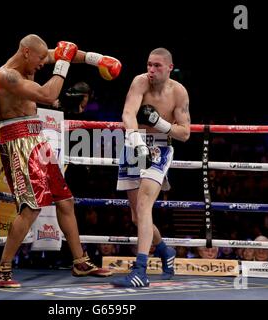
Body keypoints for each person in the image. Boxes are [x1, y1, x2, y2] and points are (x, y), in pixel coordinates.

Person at [0, 34, 121, 288]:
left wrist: (99, 60)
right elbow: (48, 95)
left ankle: (80, 261)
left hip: (36, 138)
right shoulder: (7, 76)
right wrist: (62, 64)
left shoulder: (32, 59)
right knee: (31, 206)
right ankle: (2, 269)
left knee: (65, 200)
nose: (43, 64)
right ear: (26, 52)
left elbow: (66, 52)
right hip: (18, 140)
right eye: (40, 60)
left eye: (45, 60)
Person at [112, 48, 191, 287]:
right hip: (135, 143)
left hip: (160, 148)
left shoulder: (178, 92)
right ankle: (166, 251)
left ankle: (140, 270)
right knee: (138, 217)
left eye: (157, 66)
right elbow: (128, 112)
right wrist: (135, 138)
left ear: (169, 67)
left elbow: (185, 133)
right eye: (149, 65)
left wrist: (160, 123)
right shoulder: (140, 82)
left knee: (145, 205)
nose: (151, 70)